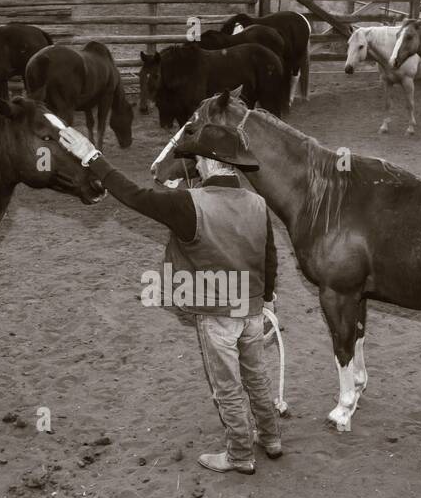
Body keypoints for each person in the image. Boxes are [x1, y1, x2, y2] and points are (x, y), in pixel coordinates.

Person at [57, 120, 283, 474]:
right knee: (256, 375)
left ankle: (240, 454)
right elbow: (269, 255)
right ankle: (270, 437)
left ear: (207, 163)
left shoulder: (188, 203)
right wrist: (267, 299)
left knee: (227, 385)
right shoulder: (257, 202)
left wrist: (92, 157)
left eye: (197, 160)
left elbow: (132, 195)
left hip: (216, 308)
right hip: (252, 306)